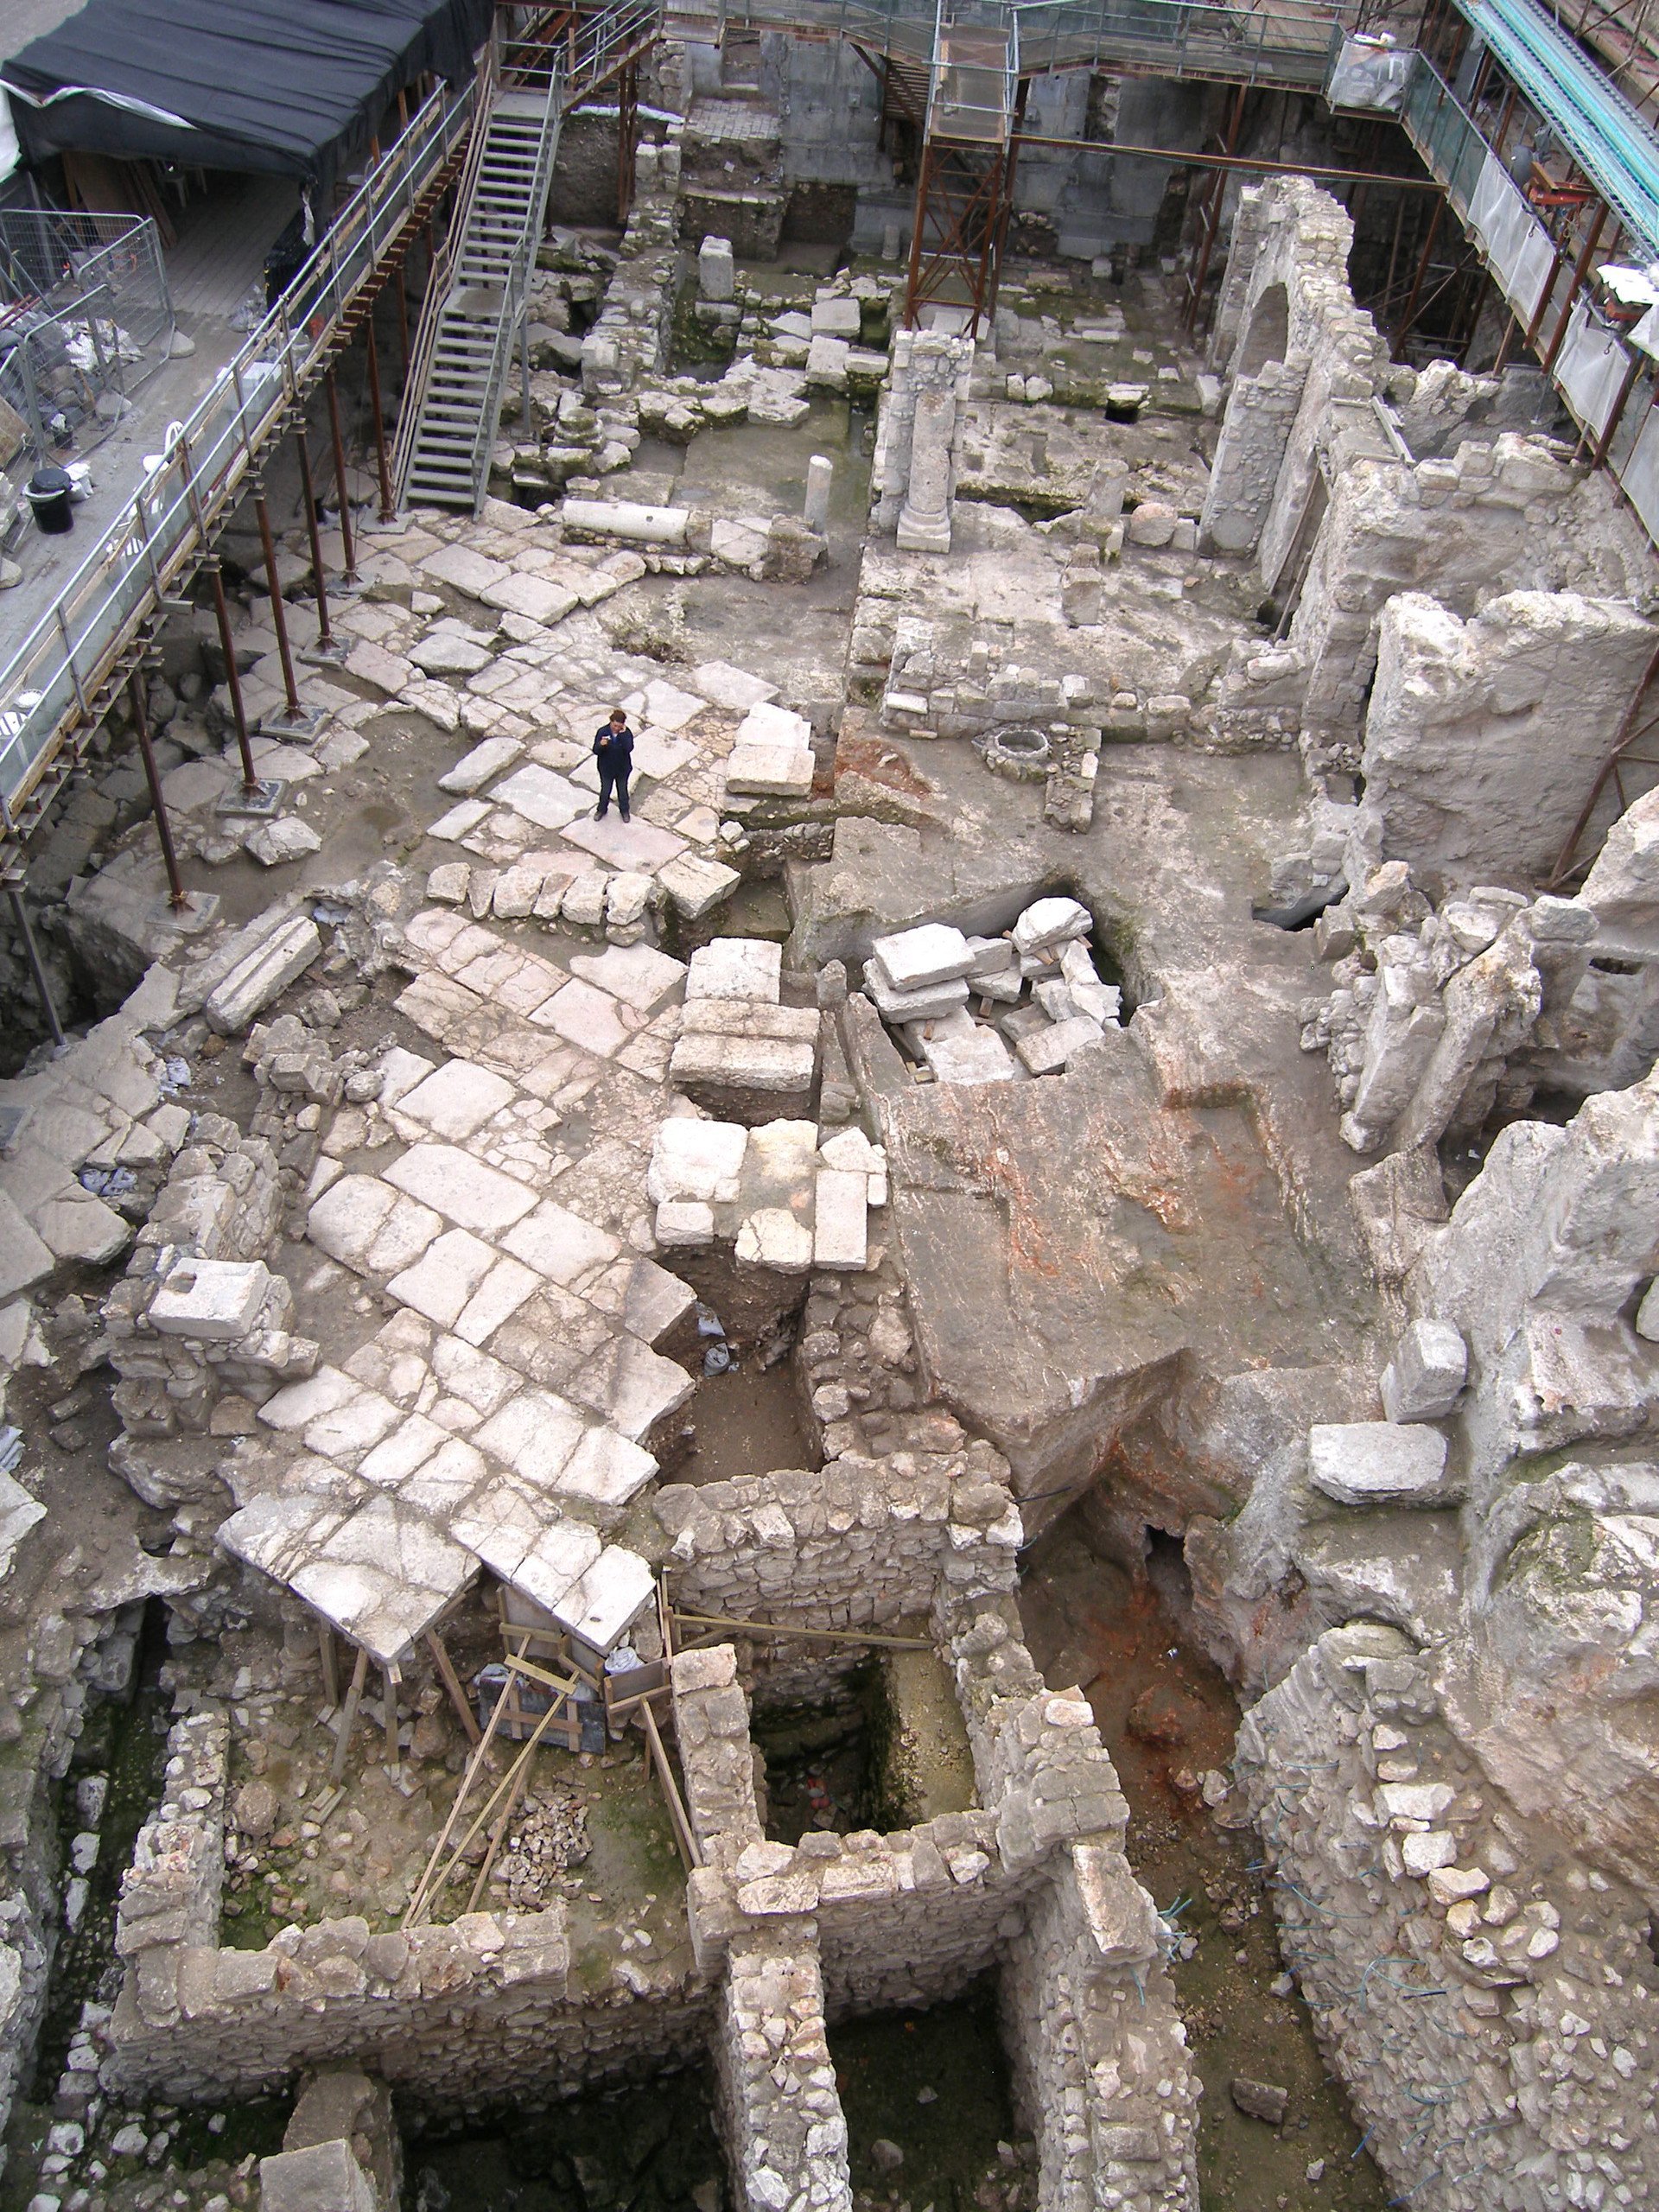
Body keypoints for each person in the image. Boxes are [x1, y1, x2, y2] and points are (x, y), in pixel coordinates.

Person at [593, 706, 634, 822]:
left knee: (622, 791)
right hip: (606, 768)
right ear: (611, 722)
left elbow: (629, 748)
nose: (616, 728)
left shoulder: (626, 733)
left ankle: (624, 811)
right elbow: (595, 750)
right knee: (605, 791)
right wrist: (601, 745)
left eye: (618, 726)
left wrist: (622, 735)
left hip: (622, 769)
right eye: (614, 725)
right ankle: (601, 810)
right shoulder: (603, 732)